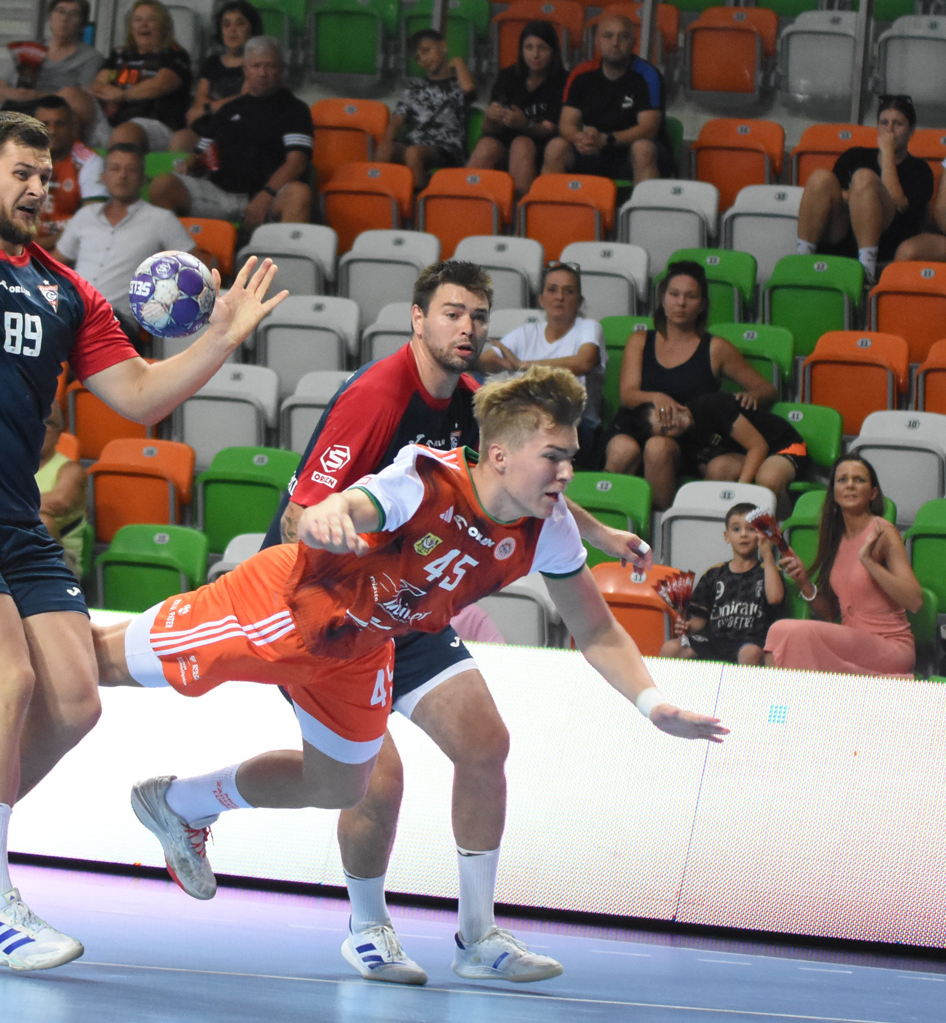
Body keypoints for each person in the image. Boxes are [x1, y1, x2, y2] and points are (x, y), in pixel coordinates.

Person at [0, 55, 285, 972]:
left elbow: (141, 395)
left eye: (47, 175)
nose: (39, 188)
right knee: (7, 682)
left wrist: (219, 339)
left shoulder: (68, 292)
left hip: (12, 521)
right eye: (22, 173)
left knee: (75, 703)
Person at [91, 368, 727, 977]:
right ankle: (32, 645)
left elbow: (597, 630)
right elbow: (360, 502)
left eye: (571, 458)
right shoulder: (423, 479)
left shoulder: (548, 527)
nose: (567, 473)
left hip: (367, 643)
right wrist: (331, 513)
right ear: (500, 455)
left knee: (346, 783)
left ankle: (179, 803)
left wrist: (652, 704)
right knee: (98, 664)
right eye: (553, 457)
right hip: (282, 609)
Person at [257, 260, 653, 986]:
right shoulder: (376, 397)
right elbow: (298, 513)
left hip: (404, 604)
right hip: (322, 606)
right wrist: (337, 548)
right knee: (375, 780)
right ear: (417, 318)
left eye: (477, 315)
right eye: (451, 312)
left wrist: (598, 533)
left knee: (483, 744)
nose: (466, 327)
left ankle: (477, 936)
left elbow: (525, 470)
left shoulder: (473, 401)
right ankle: (367, 928)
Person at [603, 262, 775, 510]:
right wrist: (657, 397)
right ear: (663, 299)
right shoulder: (640, 340)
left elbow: (766, 389)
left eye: (691, 296)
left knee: (658, 447)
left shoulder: (716, 348)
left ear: (702, 305)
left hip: (684, 436)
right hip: (637, 422)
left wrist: (752, 395)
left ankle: (659, 521)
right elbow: (627, 395)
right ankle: (605, 516)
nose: (681, 303)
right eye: (674, 294)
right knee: (621, 450)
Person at [765, 457, 922, 676]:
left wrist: (869, 562)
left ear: (873, 493)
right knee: (778, 633)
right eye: (842, 480)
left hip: (889, 647)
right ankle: (783, 696)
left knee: (786, 630)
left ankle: (784, 696)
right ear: (834, 492)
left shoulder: (884, 532)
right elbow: (830, 612)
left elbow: (915, 601)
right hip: (851, 642)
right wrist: (803, 581)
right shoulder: (835, 537)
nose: (850, 485)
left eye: (859, 480)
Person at [148, 36, 313, 227]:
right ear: (245, 69)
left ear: (282, 69)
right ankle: (175, 245)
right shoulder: (228, 109)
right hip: (221, 194)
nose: (262, 73)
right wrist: (192, 162)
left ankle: (283, 248)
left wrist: (265, 196)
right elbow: (201, 154)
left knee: (299, 194)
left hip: (270, 195)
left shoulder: (295, 109)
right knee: (163, 186)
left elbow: (297, 163)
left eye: (270, 66)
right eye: (256, 66)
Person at [50, 142, 197, 335]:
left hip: (116, 321)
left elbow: (198, 267)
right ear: (103, 178)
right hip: (72, 311)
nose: (122, 175)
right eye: (115, 168)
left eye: (131, 169)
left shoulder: (161, 220)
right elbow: (52, 265)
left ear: (143, 179)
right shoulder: (85, 216)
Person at [795, 96, 933, 286]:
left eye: (898, 124)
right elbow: (830, 195)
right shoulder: (854, 155)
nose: (889, 129)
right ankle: (802, 261)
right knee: (820, 177)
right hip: (842, 232)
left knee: (864, 178)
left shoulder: (920, 169)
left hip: (887, 242)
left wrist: (887, 154)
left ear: (911, 131)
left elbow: (898, 203)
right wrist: (861, 198)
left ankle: (866, 271)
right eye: (884, 122)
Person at [480, 262, 604, 458]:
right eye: (552, 290)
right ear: (541, 299)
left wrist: (523, 365)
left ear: (579, 301)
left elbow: (584, 362)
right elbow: (485, 362)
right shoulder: (527, 332)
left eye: (569, 291)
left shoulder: (589, 327)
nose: (560, 297)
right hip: (524, 420)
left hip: (578, 428)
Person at [628, 391, 807, 515]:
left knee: (768, 479)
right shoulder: (684, 441)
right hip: (747, 455)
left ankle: (781, 536)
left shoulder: (711, 405)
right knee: (718, 468)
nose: (671, 424)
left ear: (670, 405)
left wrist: (740, 492)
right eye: (665, 430)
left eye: (665, 415)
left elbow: (758, 446)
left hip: (783, 444)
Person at [542, 14, 672, 184]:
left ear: (634, 42)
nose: (615, 43)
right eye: (608, 36)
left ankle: (645, 202)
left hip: (633, 153)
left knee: (643, 148)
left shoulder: (648, 75)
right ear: (597, 41)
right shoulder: (580, 74)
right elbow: (566, 124)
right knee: (555, 147)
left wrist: (607, 139)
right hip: (594, 150)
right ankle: (550, 201)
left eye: (624, 37)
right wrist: (581, 138)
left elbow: (649, 129)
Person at [658, 503, 784, 666]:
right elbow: (700, 618)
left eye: (751, 529)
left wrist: (767, 555)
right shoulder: (713, 574)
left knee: (750, 653)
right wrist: (689, 627)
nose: (743, 535)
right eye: (736, 529)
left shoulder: (769, 571)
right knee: (670, 648)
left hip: (752, 641)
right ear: (727, 536)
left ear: (761, 535)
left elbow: (775, 598)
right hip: (714, 641)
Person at [468, 21, 567, 197]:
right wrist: (490, 118)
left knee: (521, 144)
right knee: (486, 145)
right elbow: (489, 130)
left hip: (542, 146)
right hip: (504, 142)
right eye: (529, 48)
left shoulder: (563, 81)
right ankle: (465, 199)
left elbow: (548, 128)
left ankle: (521, 206)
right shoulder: (507, 76)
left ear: (553, 51)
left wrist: (524, 124)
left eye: (542, 48)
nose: (535, 54)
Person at [374, 28, 476, 190]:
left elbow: (469, 88)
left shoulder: (458, 84)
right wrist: (387, 143)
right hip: (415, 143)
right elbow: (396, 120)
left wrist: (458, 62)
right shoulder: (415, 87)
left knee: (413, 153)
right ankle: (378, 195)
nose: (423, 59)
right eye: (418, 57)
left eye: (426, 51)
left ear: (443, 46)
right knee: (385, 150)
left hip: (447, 148)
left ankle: (418, 200)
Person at [0, 0, 105, 140]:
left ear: (83, 24)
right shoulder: (29, 49)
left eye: (73, 14)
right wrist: (16, 94)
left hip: (58, 117)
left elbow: (83, 100)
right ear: (50, 17)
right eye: (60, 11)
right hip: (18, 109)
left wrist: (37, 95)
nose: (65, 18)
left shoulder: (90, 57)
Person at [87, 1, 193, 152]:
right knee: (72, 96)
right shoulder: (120, 54)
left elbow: (160, 85)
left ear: (164, 26)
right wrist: (108, 92)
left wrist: (123, 95)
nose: (144, 25)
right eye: (138, 20)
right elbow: (98, 85)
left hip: (153, 125)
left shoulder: (175, 55)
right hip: (111, 123)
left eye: (152, 19)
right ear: (131, 27)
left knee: (125, 131)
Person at [175, 1, 262, 154]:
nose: (232, 30)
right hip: (208, 125)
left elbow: (243, 101)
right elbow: (200, 100)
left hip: (240, 126)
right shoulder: (213, 62)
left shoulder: (257, 62)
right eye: (226, 25)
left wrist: (208, 108)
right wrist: (206, 108)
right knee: (180, 139)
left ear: (252, 29)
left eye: (240, 24)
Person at [32, 95, 106, 252]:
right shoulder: (17, 160)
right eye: (45, 124)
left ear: (72, 127)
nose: (52, 131)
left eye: (60, 124)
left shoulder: (90, 162)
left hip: (68, 252)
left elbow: (92, 223)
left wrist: (42, 247)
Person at [37, 403, 87, 576]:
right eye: (34, 419)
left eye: (48, 423)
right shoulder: (7, 465)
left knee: (43, 523)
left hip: (61, 561)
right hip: (11, 549)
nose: (40, 427)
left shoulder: (72, 471)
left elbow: (60, 502)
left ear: (60, 433)